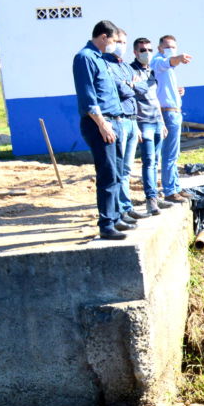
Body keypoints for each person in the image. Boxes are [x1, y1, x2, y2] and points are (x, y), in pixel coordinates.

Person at [72, 19, 132, 240]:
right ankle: (106, 223)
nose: (116, 45)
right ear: (104, 37)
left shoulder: (101, 59)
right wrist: (103, 124)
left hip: (113, 121)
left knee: (116, 172)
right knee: (107, 174)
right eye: (115, 40)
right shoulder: (84, 58)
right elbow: (89, 97)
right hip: (100, 123)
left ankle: (116, 217)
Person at [104, 28, 148, 221]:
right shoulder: (107, 65)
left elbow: (143, 88)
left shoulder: (126, 67)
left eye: (124, 43)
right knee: (118, 168)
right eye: (119, 42)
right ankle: (119, 210)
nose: (121, 46)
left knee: (127, 169)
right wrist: (131, 86)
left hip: (132, 120)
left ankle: (127, 206)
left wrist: (132, 85)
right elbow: (120, 89)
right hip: (119, 120)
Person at [131, 37, 173, 216]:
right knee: (148, 162)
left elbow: (155, 98)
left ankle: (156, 195)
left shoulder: (150, 71)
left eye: (148, 50)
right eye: (142, 50)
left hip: (156, 121)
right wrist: (136, 126)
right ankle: (150, 200)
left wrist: (162, 122)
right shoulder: (131, 71)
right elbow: (130, 99)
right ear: (135, 52)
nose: (146, 53)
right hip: (143, 122)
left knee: (156, 161)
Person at [151, 34, 193, 203]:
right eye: (167, 47)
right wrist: (178, 58)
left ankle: (175, 186)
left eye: (173, 47)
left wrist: (177, 91)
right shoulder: (158, 61)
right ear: (160, 48)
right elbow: (169, 62)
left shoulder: (168, 69)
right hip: (167, 112)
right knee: (168, 153)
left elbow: (163, 87)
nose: (171, 50)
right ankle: (169, 190)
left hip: (174, 111)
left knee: (173, 154)